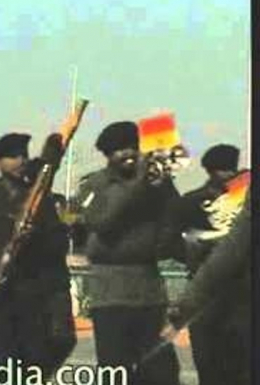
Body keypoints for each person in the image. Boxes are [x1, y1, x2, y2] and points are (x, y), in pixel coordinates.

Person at [0, 133, 76, 380]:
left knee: (33, 360)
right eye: (13, 156)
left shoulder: (39, 199)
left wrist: (37, 236)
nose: (20, 160)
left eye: (23, 155)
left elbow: (57, 244)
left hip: (30, 293)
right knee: (4, 360)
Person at [75, 121, 181, 385]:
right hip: (110, 293)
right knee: (115, 370)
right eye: (120, 150)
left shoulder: (154, 181)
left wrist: (164, 183)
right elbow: (102, 221)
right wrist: (138, 184)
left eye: (133, 148)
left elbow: (175, 216)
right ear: (108, 155)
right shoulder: (93, 185)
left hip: (149, 290)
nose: (129, 154)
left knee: (161, 371)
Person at [164, 144, 245, 385]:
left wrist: (194, 257)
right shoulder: (245, 202)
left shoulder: (190, 202)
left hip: (206, 291)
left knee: (210, 367)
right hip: (238, 292)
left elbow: (168, 242)